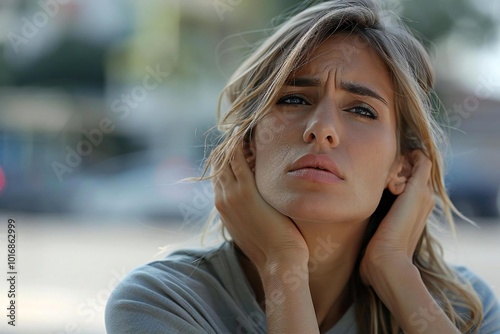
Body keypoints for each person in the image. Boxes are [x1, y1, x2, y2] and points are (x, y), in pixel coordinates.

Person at [105, 0, 500, 333]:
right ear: (248, 145)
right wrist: (281, 264)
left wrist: (394, 271)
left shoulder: (464, 309)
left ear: (403, 169)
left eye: (361, 110)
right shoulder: (162, 302)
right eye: (294, 100)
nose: (322, 129)